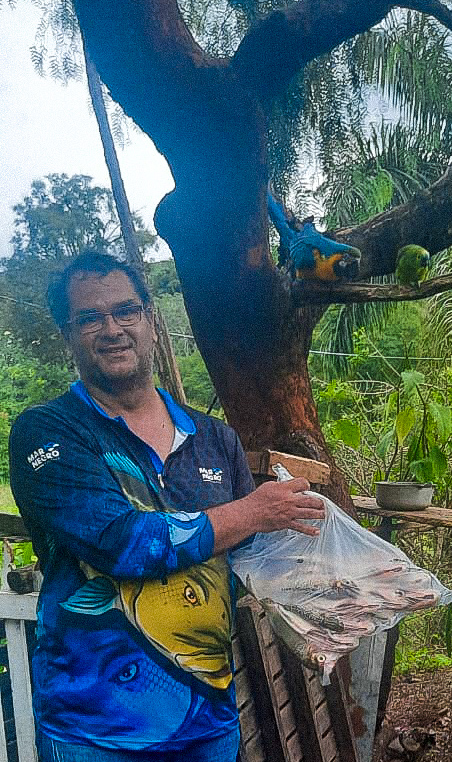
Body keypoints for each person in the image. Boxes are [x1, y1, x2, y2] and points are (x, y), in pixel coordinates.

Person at [9, 252, 325, 762]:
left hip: (208, 724)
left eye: (126, 311)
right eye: (90, 318)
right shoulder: (48, 432)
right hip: (96, 733)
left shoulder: (215, 439)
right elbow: (121, 543)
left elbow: (248, 557)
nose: (112, 329)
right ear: (68, 335)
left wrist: (349, 586)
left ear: (151, 320)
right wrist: (252, 511)